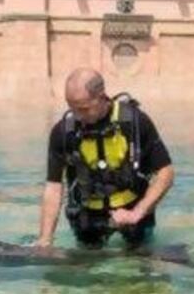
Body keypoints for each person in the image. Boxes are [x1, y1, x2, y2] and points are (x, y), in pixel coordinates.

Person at [35, 68, 174, 249]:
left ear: (101, 97)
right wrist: (45, 240)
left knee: (141, 267)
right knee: (89, 269)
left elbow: (166, 173)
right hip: (87, 219)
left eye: (84, 109)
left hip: (134, 212)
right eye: (72, 108)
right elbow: (53, 186)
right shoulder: (63, 132)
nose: (77, 116)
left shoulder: (136, 122)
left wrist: (138, 212)